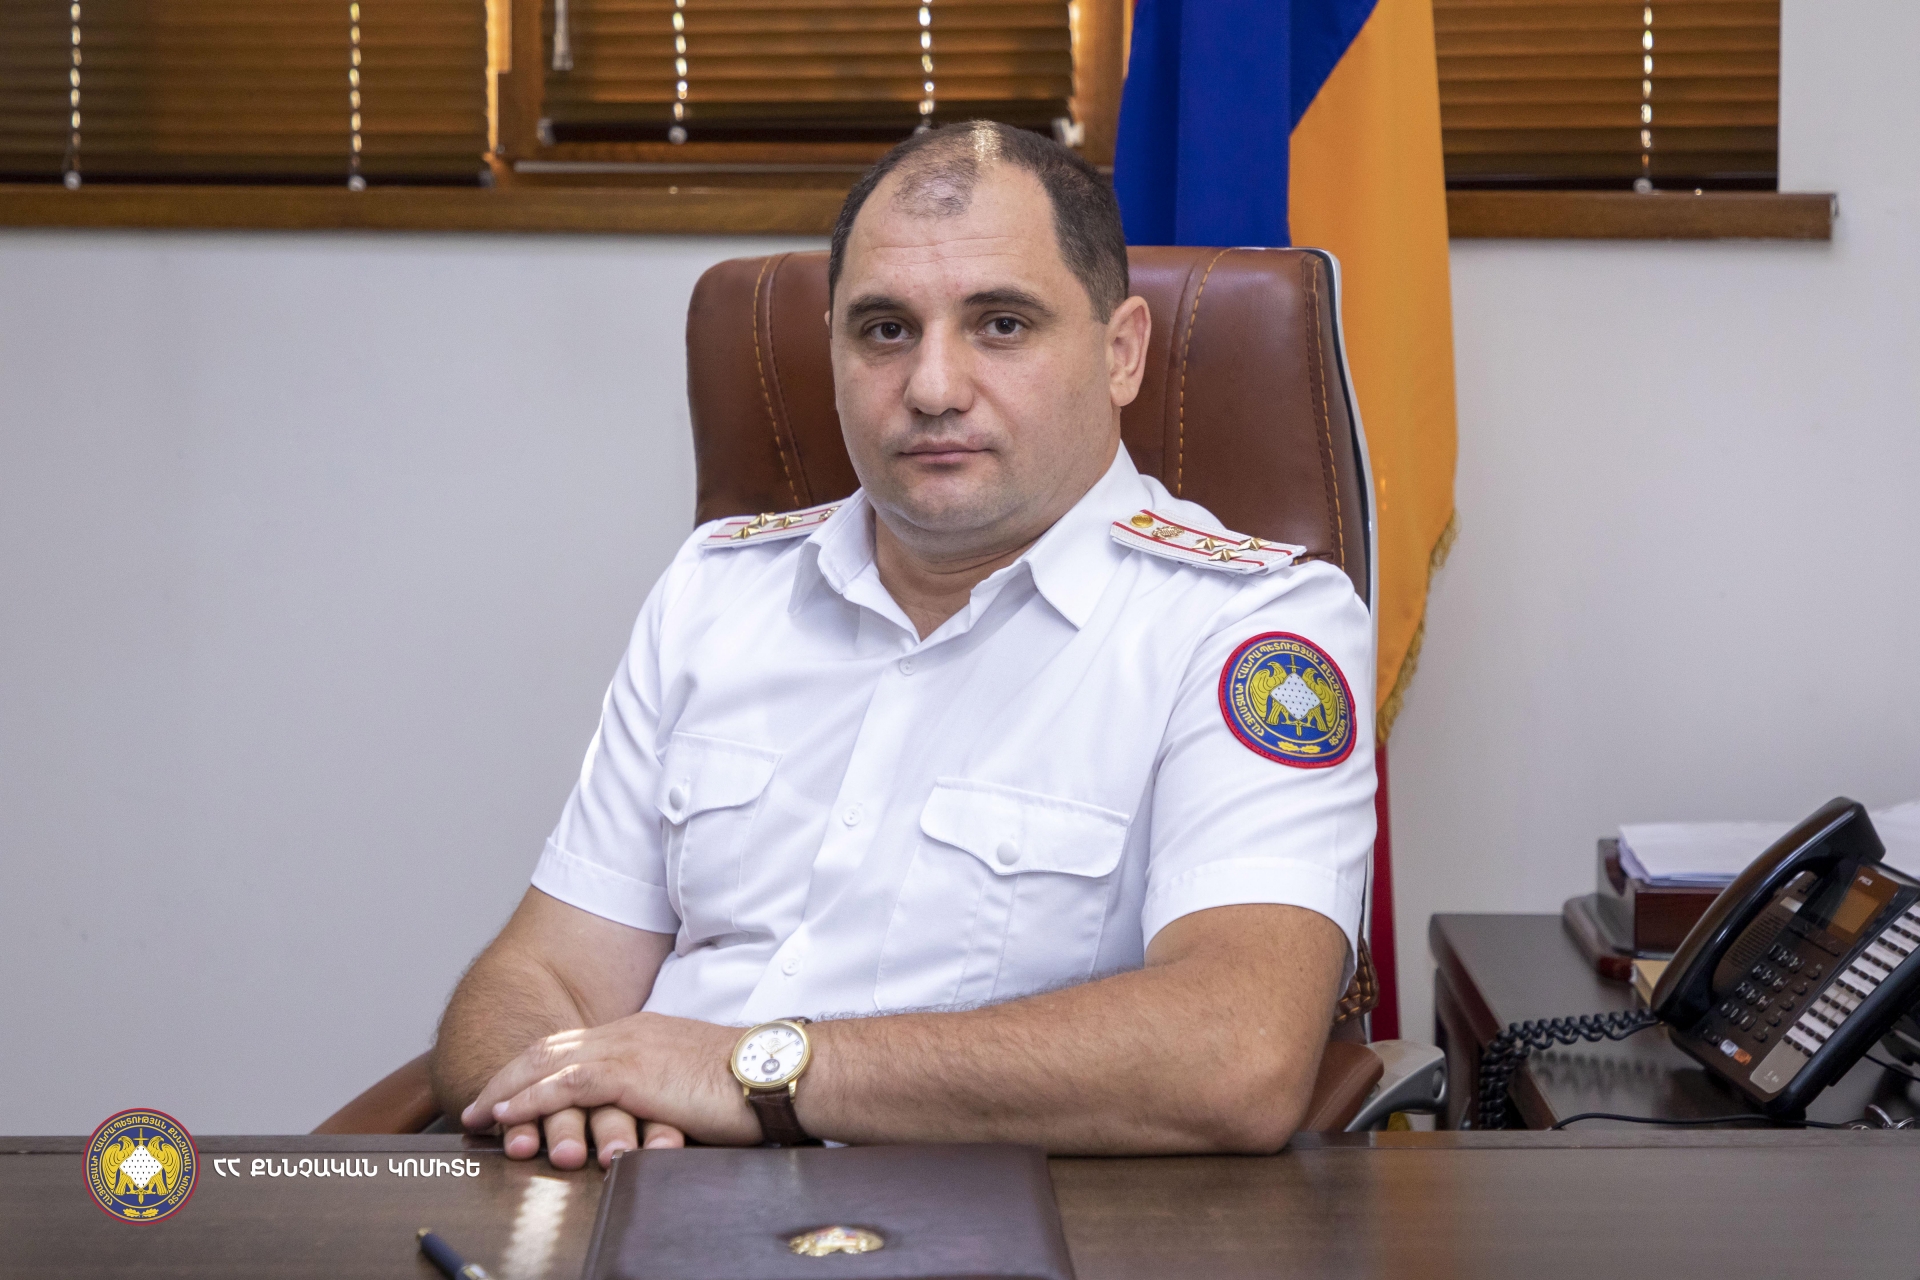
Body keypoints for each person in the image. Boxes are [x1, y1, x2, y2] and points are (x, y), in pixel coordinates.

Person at [430, 121, 1376, 1168]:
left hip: (988, 1219)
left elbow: (1235, 1050)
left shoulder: (1249, 628)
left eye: (1001, 324)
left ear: (1122, 353)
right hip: (639, 1186)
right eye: (884, 330)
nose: (932, 387)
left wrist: (750, 1072)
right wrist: (565, 1098)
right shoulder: (716, 591)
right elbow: (540, 977)